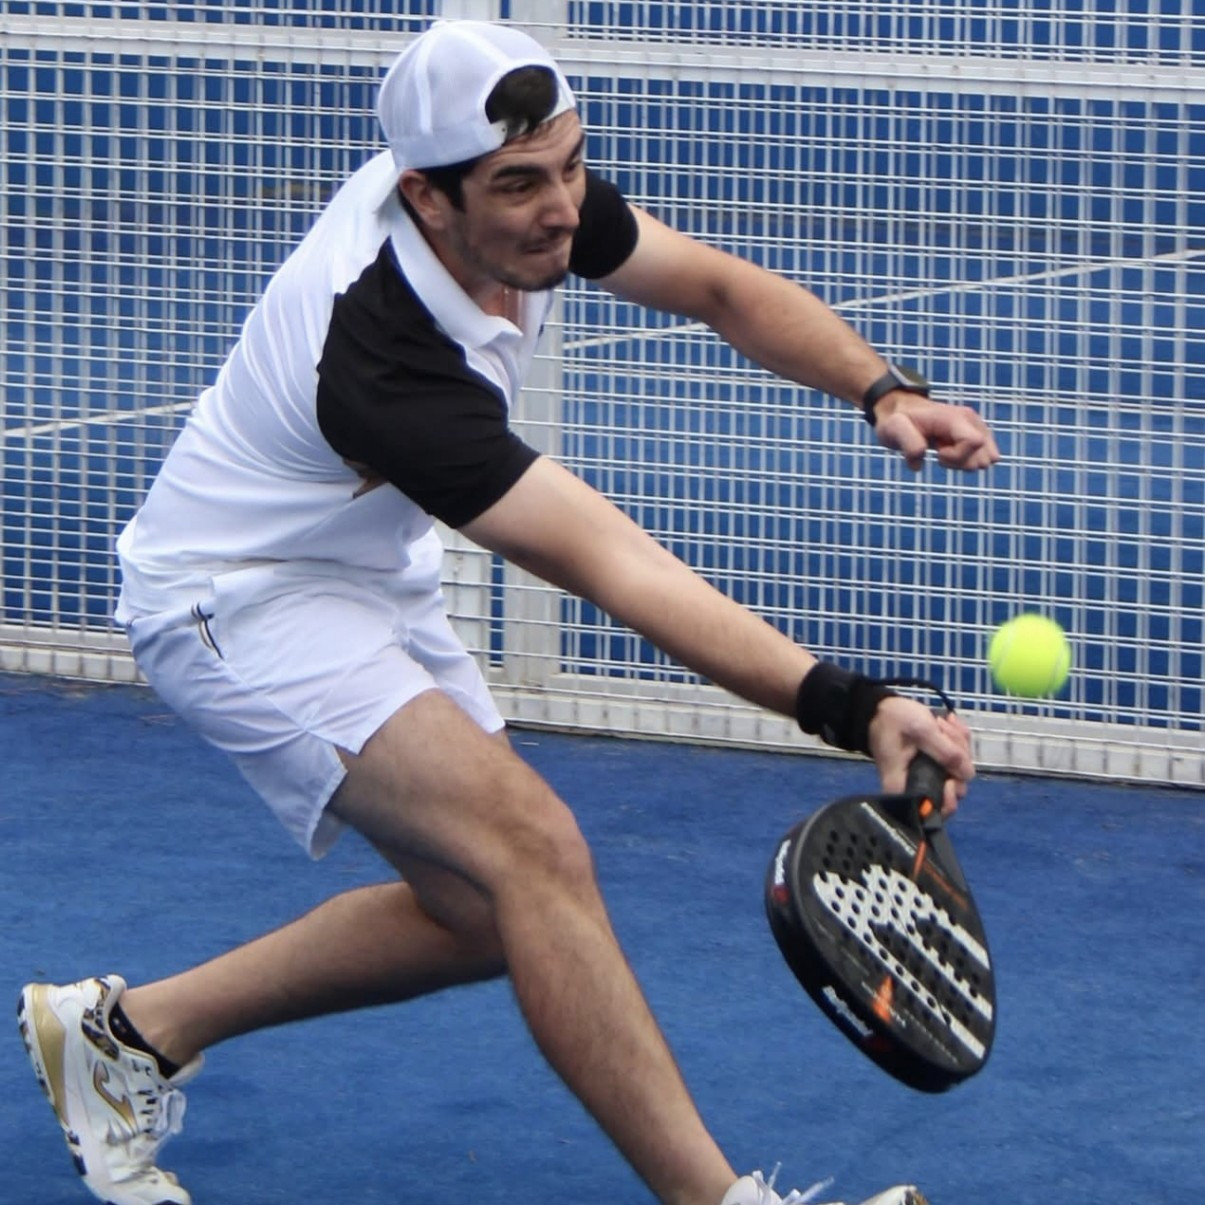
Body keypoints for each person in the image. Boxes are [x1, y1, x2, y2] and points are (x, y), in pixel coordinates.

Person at [17, 19, 999, 1205]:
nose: (560, 207)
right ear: (425, 197)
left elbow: (716, 287)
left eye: (572, 166)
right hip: (235, 598)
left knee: (492, 915)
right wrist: (851, 705)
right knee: (534, 853)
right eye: (522, 183)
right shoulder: (379, 353)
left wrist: (880, 388)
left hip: (362, 568)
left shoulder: (528, 206)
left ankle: (123, 1034)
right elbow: (612, 564)